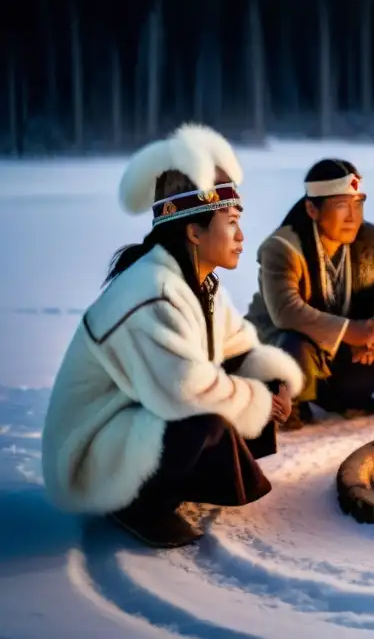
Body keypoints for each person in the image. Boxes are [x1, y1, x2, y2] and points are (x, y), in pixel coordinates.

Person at [41, 124, 304, 548]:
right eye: (231, 223)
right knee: (202, 416)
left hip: (134, 420)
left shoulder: (200, 284)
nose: (241, 236)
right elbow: (185, 391)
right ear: (193, 231)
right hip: (88, 452)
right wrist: (255, 400)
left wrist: (273, 384)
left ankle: (168, 482)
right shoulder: (151, 292)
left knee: (239, 391)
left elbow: (239, 346)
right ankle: (133, 504)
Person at [246, 159, 374, 428]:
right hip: (289, 346)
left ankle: (346, 397)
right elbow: (287, 311)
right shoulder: (283, 247)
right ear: (312, 209)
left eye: (358, 204)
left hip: (341, 354)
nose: (352, 216)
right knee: (292, 341)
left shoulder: (369, 239)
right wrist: (353, 332)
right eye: (341, 205)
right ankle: (289, 403)